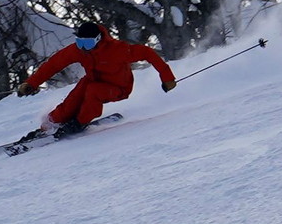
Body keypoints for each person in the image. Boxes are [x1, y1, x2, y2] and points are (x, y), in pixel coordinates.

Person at [16, 21, 177, 137]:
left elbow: (148, 53)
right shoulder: (79, 50)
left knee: (93, 90)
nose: (84, 47)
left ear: (98, 39)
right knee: (79, 91)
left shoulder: (117, 50)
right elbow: (53, 64)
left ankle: (80, 122)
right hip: (94, 82)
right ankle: (52, 123)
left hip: (119, 88)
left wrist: (167, 78)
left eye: (88, 43)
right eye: (80, 42)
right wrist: (31, 83)